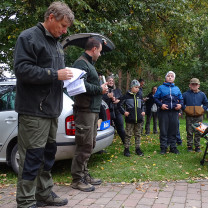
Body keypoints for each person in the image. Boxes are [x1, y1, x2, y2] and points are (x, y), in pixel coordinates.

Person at [14, 2, 74, 208]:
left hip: (51, 109)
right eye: (63, 26)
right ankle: (26, 201)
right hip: (33, 111)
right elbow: (22, 70)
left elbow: (54, 75)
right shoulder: (29, 37)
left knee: (47, 155)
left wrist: (67, 78)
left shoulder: (56, 43)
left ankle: (44, 193)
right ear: (51, 17)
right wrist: (54, 74)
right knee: (31, 157)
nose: (65, 31)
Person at [70, 37, 108, 192]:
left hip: (92, 110)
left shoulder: (89, 64)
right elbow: (80, 85)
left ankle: (84, 174)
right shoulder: (81, 63)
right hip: (84, 110)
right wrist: (100, 89)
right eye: (99, 51)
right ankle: (77, 179)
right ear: (94, 49)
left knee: (89, 144)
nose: (99, 54)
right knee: (84, 145)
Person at [154, 71, 183, 155]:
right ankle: (163, 148)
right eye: (168, 76)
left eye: (172, 76)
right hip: (164, 112)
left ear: (174, 78)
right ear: (165, 78)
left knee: (173, 129)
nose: (170, 77)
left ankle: (173, 147)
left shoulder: (176, 88)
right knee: (163, 130)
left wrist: (180, 105)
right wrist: (161, 105)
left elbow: (181, 99)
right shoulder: (161, 88)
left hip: (174, 111)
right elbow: (155, 98)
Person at [118, 79, 145, 157]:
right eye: (136, 87)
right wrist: (124, 112)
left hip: (139, 119)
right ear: (131, 87)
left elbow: (143, 105)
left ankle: (138, 149)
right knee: (128, 134)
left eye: (138, 87)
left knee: (138, 134)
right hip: (130, 119)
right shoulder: (126, 96)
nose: (137, 89)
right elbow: (119, 105)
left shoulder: (140, 95)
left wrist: (143, 111)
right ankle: (126, 149)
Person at [182, 78, 208, 152]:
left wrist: (203, 109)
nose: (194, 85)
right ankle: (189, 146)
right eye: (192, 84)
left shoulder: (202, 94)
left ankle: (197, 146)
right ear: (189, 85)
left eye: (195, 84)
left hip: (199, 116)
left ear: (198, 85)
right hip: (189, 116)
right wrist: (185, 109)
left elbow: (206, 103)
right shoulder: (185, 94)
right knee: (189, 131)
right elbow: (181, 103)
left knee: (198, 131)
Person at [103, 75, 125, 144]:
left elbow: (122, 99)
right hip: (108, 112)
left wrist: (118, 101)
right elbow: (102, 101)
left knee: (120, 127)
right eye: (109, 81)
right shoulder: (104, 90)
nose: (111, 82)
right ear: (106, 82)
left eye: (112, 81)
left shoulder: (117, 90)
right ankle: (107, 143)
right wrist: (107, 97)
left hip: (117, 111)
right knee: (107, 129)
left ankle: (125, 141)